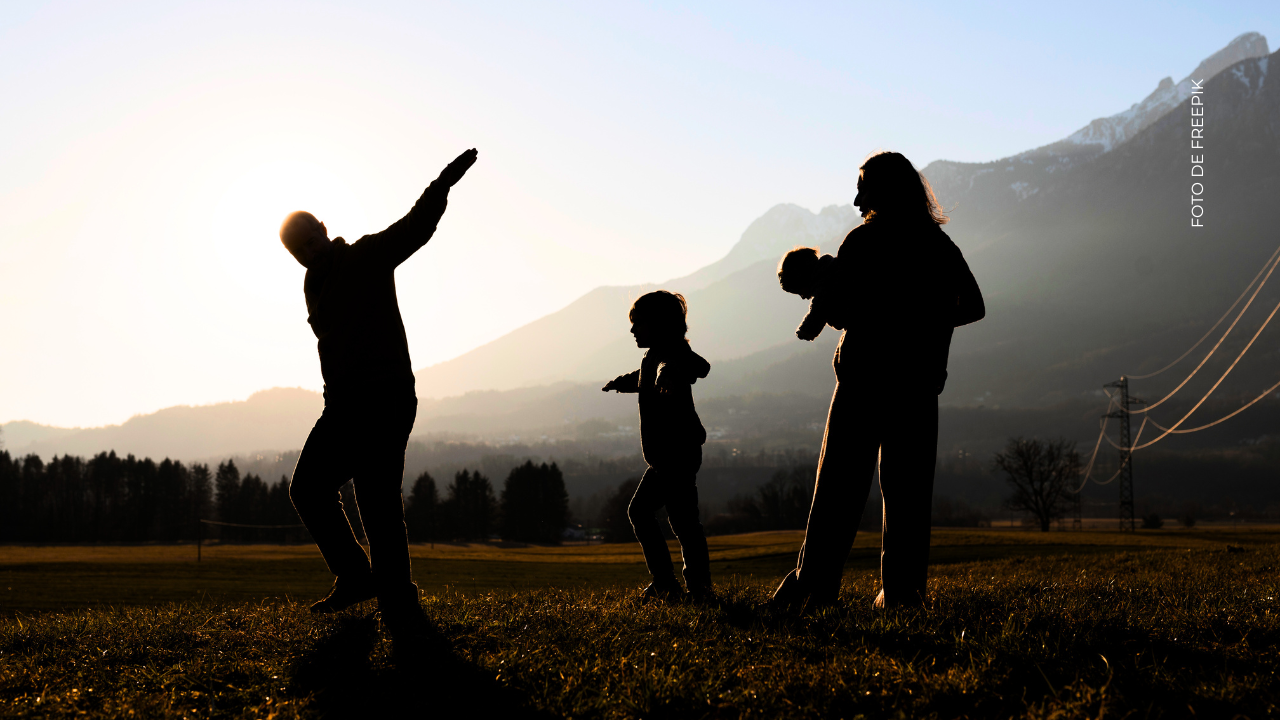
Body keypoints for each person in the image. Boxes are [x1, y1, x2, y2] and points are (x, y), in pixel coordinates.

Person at [279, 148, 478, 648]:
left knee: (376, 496)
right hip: (343, 404)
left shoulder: (365, 255)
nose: (311, 251)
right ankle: (357, 578)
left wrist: (442, 185)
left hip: (385, 397)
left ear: (325, 228)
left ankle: (398, 600)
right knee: (307, 489)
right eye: (301, 250)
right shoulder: (313, 285)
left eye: (313, 240)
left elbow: (415, 228)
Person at [771, 150, 985, 610]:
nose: (856, 197)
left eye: (863, 185)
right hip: (917, 385)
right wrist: (924, 322)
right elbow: (973, 306)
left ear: (886, 191)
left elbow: (848, 310)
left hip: (864, 382)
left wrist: (860, 314)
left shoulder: (863, 242)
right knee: (908, 496)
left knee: (836, 491)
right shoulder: (939, 246)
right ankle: (903, 595)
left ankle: (813, 588)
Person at [602, 291, 714, 602]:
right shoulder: (655, 356)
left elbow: (694, 366)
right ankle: (689, 586)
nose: (633, 330)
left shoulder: (671, 353)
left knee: (652, 515)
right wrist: (623, 382)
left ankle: (678, 585)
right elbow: (646, 375)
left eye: (638, 323)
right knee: (679, 521)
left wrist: (669, 372)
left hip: (675, 455)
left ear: (660, 324)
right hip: (669, 457)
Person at [777, 246, 838, 341]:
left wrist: (805, 331)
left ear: (804, 279)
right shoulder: (831, 270)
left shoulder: (825, 283)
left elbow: (819, 309)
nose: (803, 297)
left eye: (799, 291)